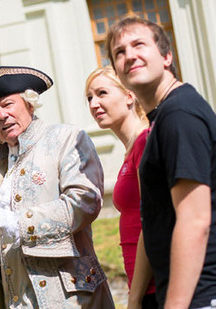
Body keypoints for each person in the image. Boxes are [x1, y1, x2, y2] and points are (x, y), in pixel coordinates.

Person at [106, 16, 216, 308]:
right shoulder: (166, 118)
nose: (129, 55)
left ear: (166, 56)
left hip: (210, 294)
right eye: (119, 52)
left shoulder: (178, 116)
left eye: (139, 44)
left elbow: (194, 221)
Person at [0, 66, 116, 308]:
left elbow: (85, 202)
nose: (1, 115)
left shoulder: (67, 138)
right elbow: (4, 243)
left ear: (29, 104)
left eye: (8, 104)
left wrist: (19, 222)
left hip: (71, 298)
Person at [85, 66, 157, 309]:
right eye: (89, 97)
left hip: (156, 285)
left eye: (102, 93)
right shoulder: (130, 150)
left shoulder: (145, 141)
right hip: (144, 286)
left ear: (129, 96)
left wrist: (135, 298)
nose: (94, 103)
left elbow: (152, 221)